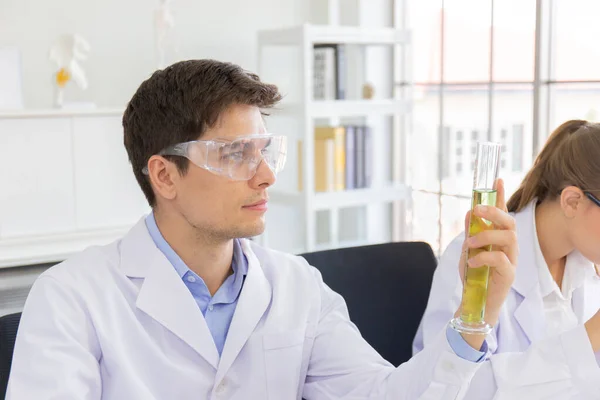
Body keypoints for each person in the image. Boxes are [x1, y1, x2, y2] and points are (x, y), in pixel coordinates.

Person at [7, 59, 518, 400]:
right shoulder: (72, 299)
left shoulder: (297, 288)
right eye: (235, 154)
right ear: (164, 175)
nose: (267, 174)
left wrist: (475, 314)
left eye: (265, 151)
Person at [413, 120, 600, 399]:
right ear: (572, 202)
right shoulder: (480, 253)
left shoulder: (585, 265)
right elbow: (456, 388)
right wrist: (592, 334)